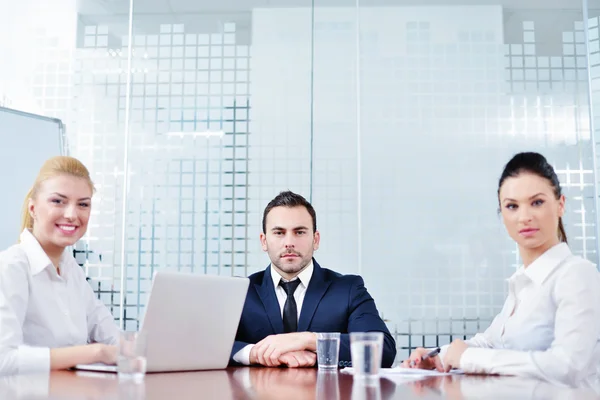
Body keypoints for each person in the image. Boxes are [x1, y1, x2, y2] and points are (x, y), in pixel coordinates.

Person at [404, 152, 600, 387]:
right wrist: (436, 356)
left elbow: (567, 367)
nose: (524, 217)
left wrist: (467, 358)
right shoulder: (523, 282)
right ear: (502, 214)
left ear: (560, 205)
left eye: (537, 202)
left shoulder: (577, 275)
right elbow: (490, 342)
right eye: (512, 206)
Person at [230, 191, 396, 367]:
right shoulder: (240, 291)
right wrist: (254, 353)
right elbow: (206, 345)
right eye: (279, 232)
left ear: (315, 240)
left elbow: (382, 349)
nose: (289, 242)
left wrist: (308, 340)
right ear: (264, 241)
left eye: (299, 232)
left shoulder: (348, 289)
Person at [0, 156, 119, 375]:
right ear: (33, 208)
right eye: (58, 201)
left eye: (83, 204)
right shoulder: (11, 267)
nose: (72, 215)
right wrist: (95, 353)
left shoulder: (71, 269)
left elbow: (111, 335)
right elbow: (3, 359)